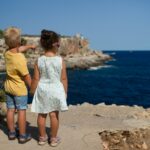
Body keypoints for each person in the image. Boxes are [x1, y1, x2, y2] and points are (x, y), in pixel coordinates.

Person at [31, 29, 68, 146]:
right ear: (56, 44)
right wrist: (65, 92)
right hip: (56, 90)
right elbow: (63, 79)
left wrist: (32, 90)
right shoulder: (60, 60)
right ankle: (53, 139)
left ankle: (42, 138)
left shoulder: (39, 60)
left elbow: (36, 79)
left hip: (42, 89)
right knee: (54, 115)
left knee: (41, 114)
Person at [4, 27, 36, 144]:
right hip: (19, 90)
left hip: (8, 88)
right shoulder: (20, 58)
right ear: (18, 41)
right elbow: (27, 76)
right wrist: (33, 88)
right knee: (21, 111)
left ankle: (12, 132)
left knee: (10, 109)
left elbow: (18, 49)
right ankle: (22, 135)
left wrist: (29, 47)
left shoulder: (7, 53)